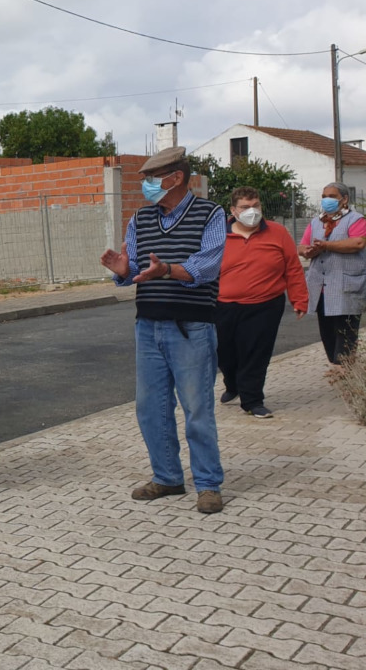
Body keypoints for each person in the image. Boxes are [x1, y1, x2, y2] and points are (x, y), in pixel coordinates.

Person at [99, 146, 227, 514]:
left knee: (197, 408)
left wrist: (168, 269)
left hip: (192, 326)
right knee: (150, 407)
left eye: (153, 179)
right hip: (148, 326)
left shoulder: (210, 213)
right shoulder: (140, 219)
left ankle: (208, 483)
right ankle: (168, 477)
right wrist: (124, 269)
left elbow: (208, 265)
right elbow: (136, 268)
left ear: (176, 179)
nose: (147, 186)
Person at [216, 186, 308, 419]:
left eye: (256, 205)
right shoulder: (217, 234)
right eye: (246, 207)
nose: (252, 211)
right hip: (223, 305)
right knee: (223, 352)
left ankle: (252, 400)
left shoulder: (278, 233)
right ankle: (233, 383)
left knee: (256, 353)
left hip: (265, 305)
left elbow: (293, 268)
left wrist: (299, 299)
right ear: (233, 210)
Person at [299, 182, 366, 364]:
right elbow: (302, 245)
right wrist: (306, 251)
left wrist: (326, 246)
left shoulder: (355, 219)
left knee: (345, 335)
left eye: (331, 196)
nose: (326, 200)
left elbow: (358, 243)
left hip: (346, 287)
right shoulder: (317, 221)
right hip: (322, 289)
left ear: (344, 199)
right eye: (324, 196)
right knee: (328, 336)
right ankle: (340, 369)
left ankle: (345, 374)